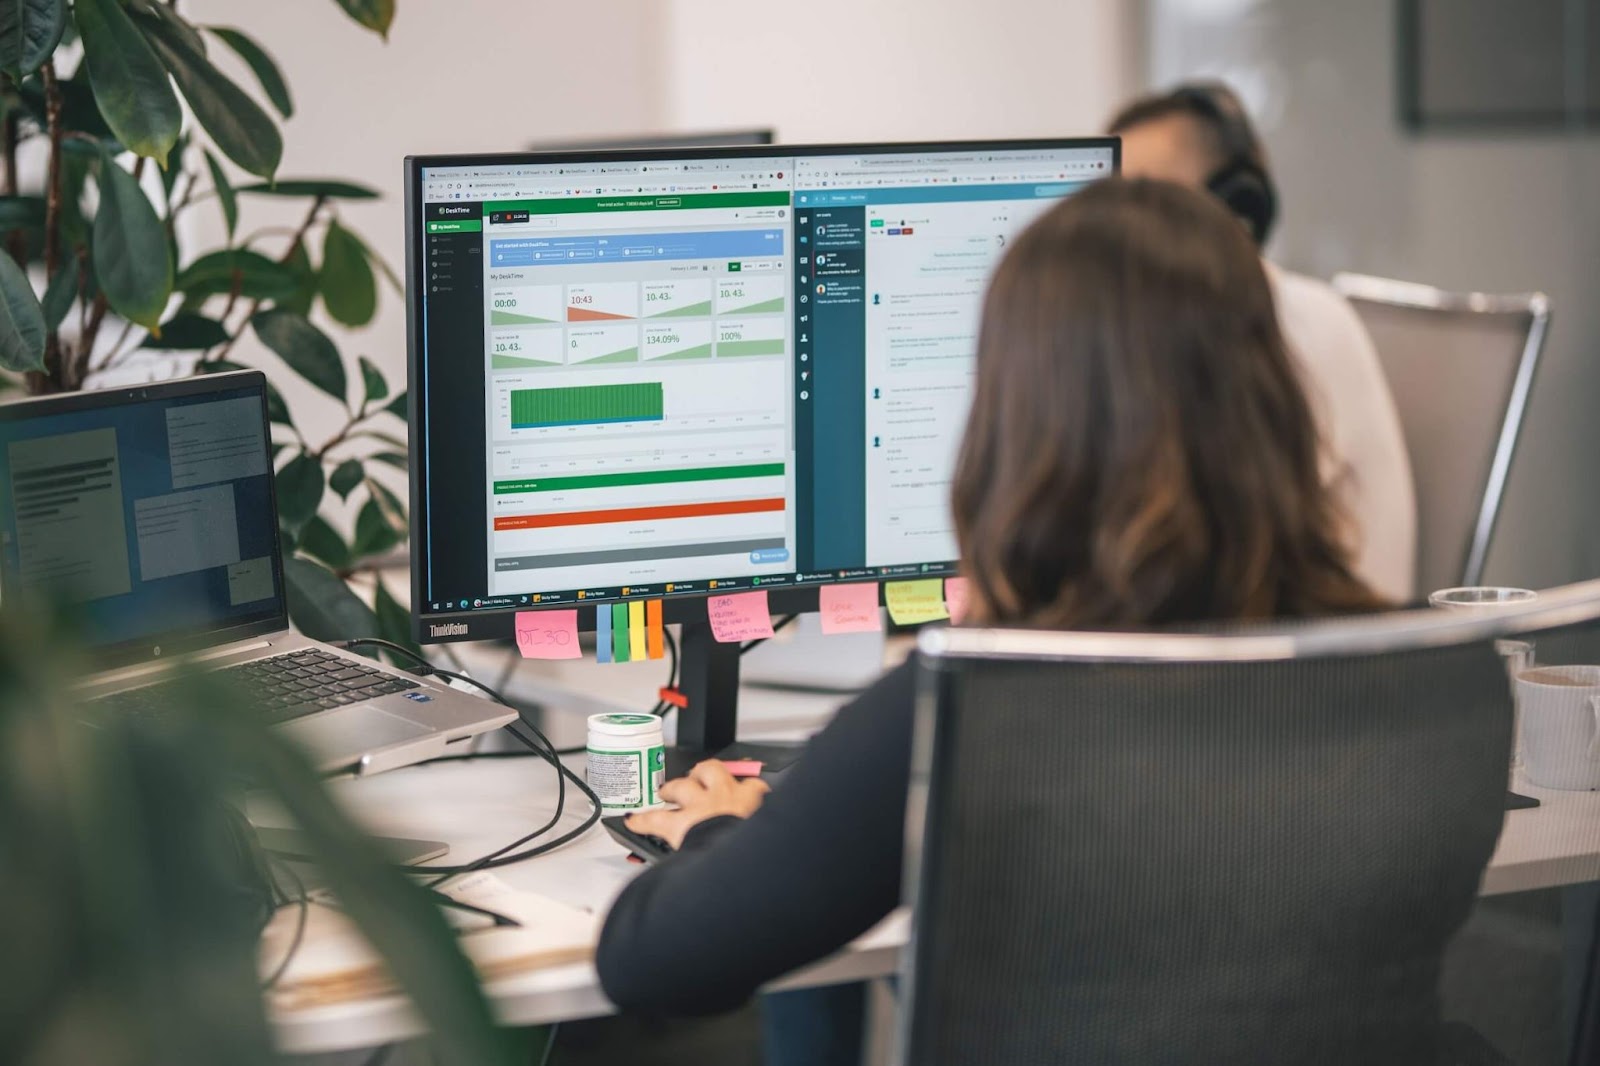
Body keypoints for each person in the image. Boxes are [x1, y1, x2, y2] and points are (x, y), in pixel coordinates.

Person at [595, 180, 1390, 1033]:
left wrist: (724, 834)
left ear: (1021, 419)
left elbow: (649, 960)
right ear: (1269, 393)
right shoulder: (1416, 665)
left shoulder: (971, 712)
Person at [1107, 82, 1418, 604]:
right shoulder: (1177, 333)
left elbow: (1182, 553)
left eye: (1151, 205)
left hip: (1318, 663)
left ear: (1238, 208)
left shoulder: (1291, 322)